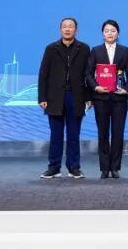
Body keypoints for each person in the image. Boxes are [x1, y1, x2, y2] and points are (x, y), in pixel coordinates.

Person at [37, 17, 91, 179]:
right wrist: (42, 97)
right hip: (55, 98)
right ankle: (54, 168)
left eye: (71, 26)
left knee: (74, 135)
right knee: (56, 135)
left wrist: (89, 97)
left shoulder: (84, 48)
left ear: (76, 30)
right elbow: (43, 74)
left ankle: (74, 167)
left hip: (76, 97)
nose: (67, 29)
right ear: (60, 29)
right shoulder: (51, 49)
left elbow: (88, 75)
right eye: (64, 27)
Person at [85, 19, 128, 179]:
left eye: (113, 31)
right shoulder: (95, 50)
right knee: (103, 133)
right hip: (101, 98)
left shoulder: (124, 51)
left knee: (118, 133)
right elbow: (88, 73)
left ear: (118, 34)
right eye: (107, 31)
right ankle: (104, 168)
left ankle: (115, 168)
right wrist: (95, 87)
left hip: (119, 98)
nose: (110, 33)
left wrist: (126, 89)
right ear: (102, 34)